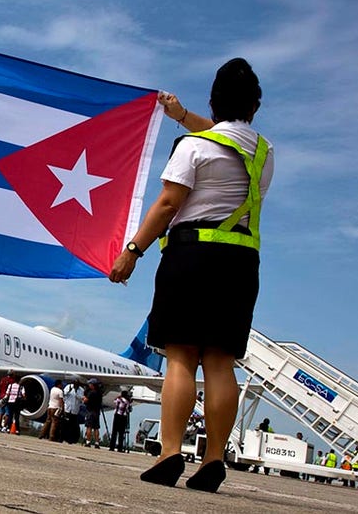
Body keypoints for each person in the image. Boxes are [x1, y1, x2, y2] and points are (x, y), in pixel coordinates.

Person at [112, 58, 274, 494]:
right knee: (221, 362)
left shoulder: (193, 148)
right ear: (254, 107)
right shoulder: (263, 154)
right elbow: (226, 136)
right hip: (240, 263)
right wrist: (181, 116)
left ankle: (170, 453)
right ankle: (214, 458)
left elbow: (167, 205)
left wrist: (133, 251)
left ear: (213, 101)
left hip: (192, 256)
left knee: (181, 356)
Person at [62, 379, 84, 443]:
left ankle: (71, 439)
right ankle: (63, 437)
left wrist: (77, 395)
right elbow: (64, 394)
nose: (76, 386)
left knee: (72, 425)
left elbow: (82, 399)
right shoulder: (68, 387)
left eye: (77, 384)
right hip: (67, 409)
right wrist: (69, 391)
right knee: (65, 424)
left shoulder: (81, 390)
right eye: (75, 384)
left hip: (75, 410)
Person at [84, 378, 103, 448]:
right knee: (96, 428)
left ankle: (88, 441)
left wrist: (84, 398)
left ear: (93, 385)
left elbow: (85, 400)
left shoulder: (91, 393)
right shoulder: (99, 393)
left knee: (89, 427)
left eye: (90, 384)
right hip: (97, 412)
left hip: (90, 411)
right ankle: (97, 442)